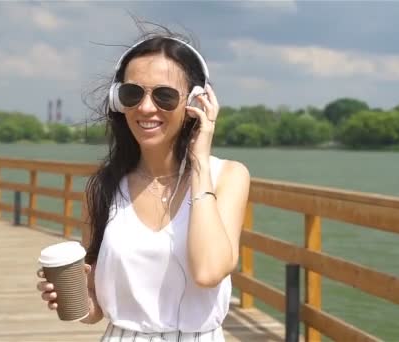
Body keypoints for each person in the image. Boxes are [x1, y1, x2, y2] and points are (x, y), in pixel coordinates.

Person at [37, 29, 250, 342]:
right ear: (118, 101)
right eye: (132, 94)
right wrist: (74, 297)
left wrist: (200, 161)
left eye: (164, 95)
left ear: (194, 102)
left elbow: (208, 271)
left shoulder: (227, 176)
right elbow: (95, 309)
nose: (146, 108)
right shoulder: (103, 186)